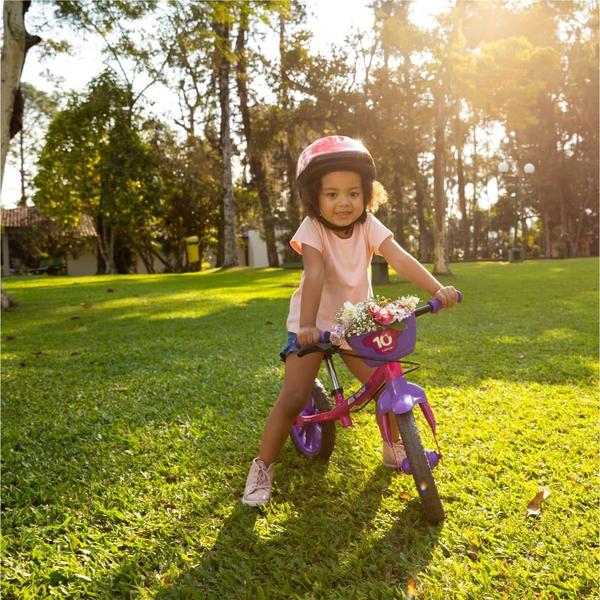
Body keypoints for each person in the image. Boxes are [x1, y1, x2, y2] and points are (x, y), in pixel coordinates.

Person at [242, 135, 459, 506]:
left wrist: (439, 289)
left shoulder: (368, 225)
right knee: (294, 397)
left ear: (366, 195)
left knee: (385, 386)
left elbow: (400, 258)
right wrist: (308, 325)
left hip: (357, 324)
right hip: (313, 325)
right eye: (332, 194)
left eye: (353, 193)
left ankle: (393, 446)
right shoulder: (312, 229)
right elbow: (314, 275)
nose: (344, 202)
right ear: (314, 197)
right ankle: (263, 467)